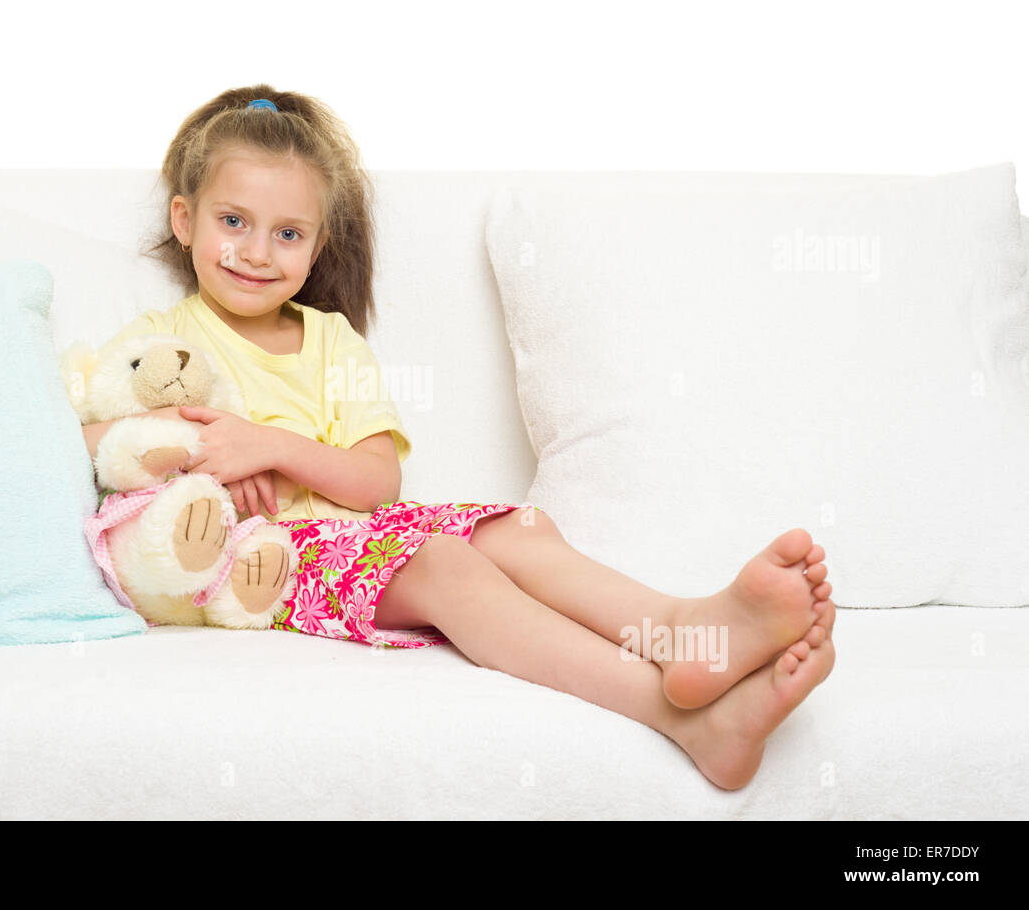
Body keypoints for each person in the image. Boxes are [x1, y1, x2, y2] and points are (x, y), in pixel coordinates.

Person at [81, 85, 836, 791]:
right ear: (186, 220)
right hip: (272, 569)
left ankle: (681, 628)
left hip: (363, 535)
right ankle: (683, 717)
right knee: (445, 565)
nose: (255, 251)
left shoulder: (330, 341)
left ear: (316, 247)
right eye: (233, 221)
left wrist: (268, 444)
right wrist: (198, 445)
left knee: (518, 527)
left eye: (287, 233)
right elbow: (88, 431)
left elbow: (378, 481)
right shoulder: (164, 340)